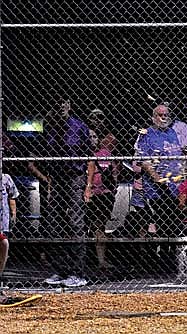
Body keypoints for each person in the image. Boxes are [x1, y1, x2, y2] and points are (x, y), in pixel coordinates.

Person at [30, 97, 95, 287]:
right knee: (54, 223)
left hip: (74, 176)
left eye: (63, 102)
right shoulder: (49, 126)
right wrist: (48, 181)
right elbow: (40, 155)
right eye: (56, 103)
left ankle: (78, 272)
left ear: (69, 105)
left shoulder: (78, 126)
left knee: (76, 223)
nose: (60, 106)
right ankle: (60, 269)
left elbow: (90, 157)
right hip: (56, 178)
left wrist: (88, 186)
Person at [135, 102, 187, 237]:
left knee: (173, 228)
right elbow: (144, 161)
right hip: (157, 191)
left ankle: (170, 255)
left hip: (174, 188)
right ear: (153, 117)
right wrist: (159, 179)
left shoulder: (172, 133)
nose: (164, 118)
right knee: (160, 227)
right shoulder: (147, 134)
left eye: (166, 115)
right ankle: (160, 257)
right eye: (160, 115)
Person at [86, 109, 118, 271]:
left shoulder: (105, 153)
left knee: (100, 225)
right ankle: (92, 259)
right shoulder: (84, 154)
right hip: (89, 193)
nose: (92, 139)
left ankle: (101, 260)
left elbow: (113, 172)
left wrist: (113, 188)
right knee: (90, 226)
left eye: (94, 137)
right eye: (89, 136)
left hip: (103, 193)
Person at [0, 173, 19, 276]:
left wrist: (13, 212)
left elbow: (12, 196)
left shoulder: (5, 178)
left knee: (4, 244)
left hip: (3, 220)